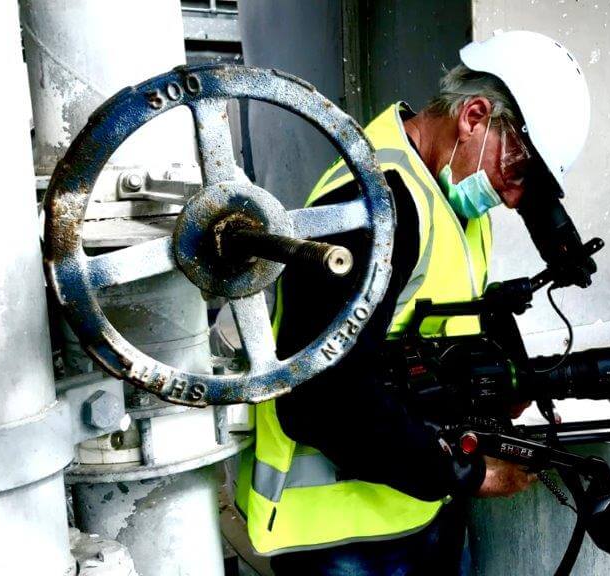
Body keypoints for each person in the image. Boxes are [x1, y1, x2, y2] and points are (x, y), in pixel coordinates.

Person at [236, 30, 591, 575]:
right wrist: (468, 475)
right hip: (342, 541)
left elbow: (431, 342)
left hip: (418, 512)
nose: (515, 196)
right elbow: (321, 396)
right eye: (517, 171)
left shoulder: (451, 206)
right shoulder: (373, 204)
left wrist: (506, 394)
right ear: (474, 116)